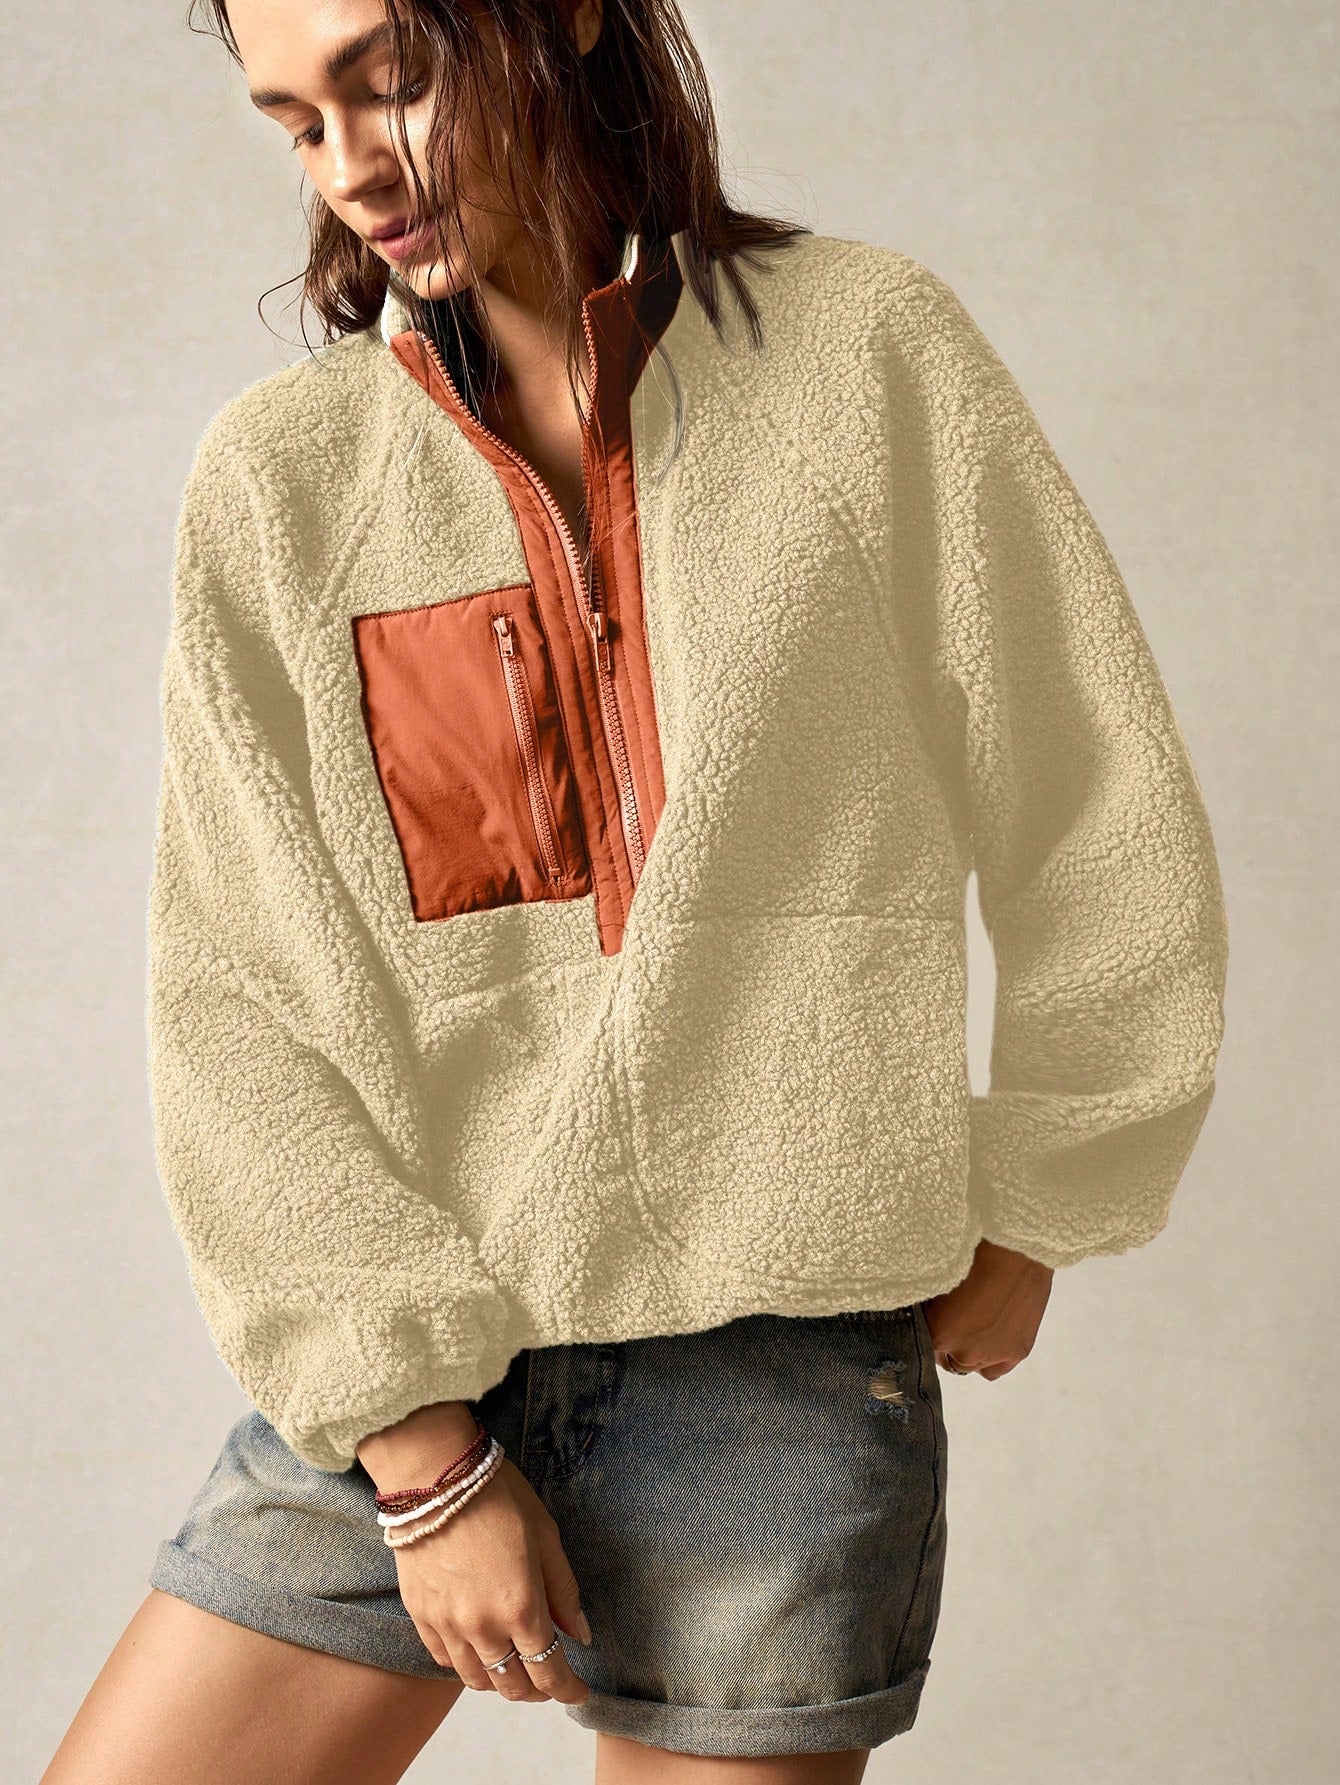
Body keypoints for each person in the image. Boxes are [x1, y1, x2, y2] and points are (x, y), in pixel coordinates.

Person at [39, 1, 1229, 1781]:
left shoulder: (868, 359)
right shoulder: (282, 487)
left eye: (391, 78)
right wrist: (420, 1454)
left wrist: (1053, 1178)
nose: (351, 166)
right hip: (423, 1348)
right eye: (296, 122)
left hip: (779, 1388)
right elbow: (240, 999)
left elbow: (1090, 791)